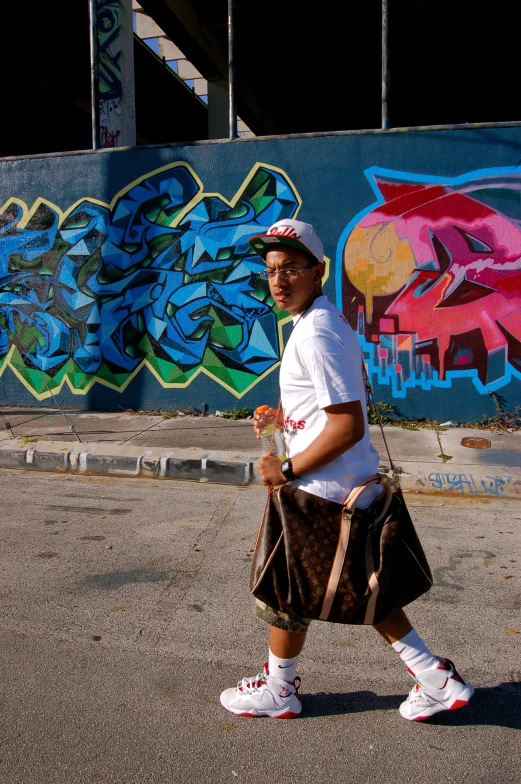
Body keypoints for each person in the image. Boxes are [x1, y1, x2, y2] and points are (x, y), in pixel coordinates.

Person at [219, 219, 474, 721]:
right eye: (271, 270)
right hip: (335, 488)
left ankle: (281, 690)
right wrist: (282, 416)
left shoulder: (317, 332)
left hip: (320, 490)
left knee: (290, 592)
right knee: (355, 590)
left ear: (319, 271)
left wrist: (286, 470)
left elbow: (347, 425)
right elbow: (326, 406)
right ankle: (434, 678)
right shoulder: (316, 324)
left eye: (292, 267)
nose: (278, 280)